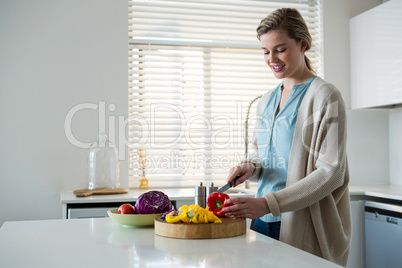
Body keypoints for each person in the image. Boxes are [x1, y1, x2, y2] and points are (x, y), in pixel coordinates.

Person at [222, 8, 351, 266]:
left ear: (302, 44)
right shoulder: (267, 100)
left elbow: (331, 172)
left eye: (280, 49)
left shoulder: (325, 96)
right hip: (262, 221)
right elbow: (262, 155)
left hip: (303, 222)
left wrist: (269, 203)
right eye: (265, 51)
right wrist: (251, 167)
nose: (272, 59)